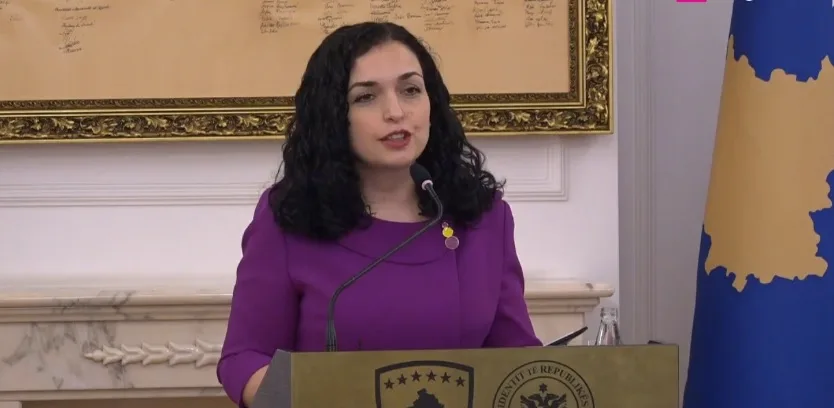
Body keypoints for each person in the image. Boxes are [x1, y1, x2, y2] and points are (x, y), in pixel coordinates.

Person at [217, 21, 542, 407]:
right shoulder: (290, 216)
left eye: (411, 90)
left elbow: (517, 357)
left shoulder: (484, 217)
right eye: (366, 97)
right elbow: (244, 358)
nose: (396, 112)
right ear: (333, 115)